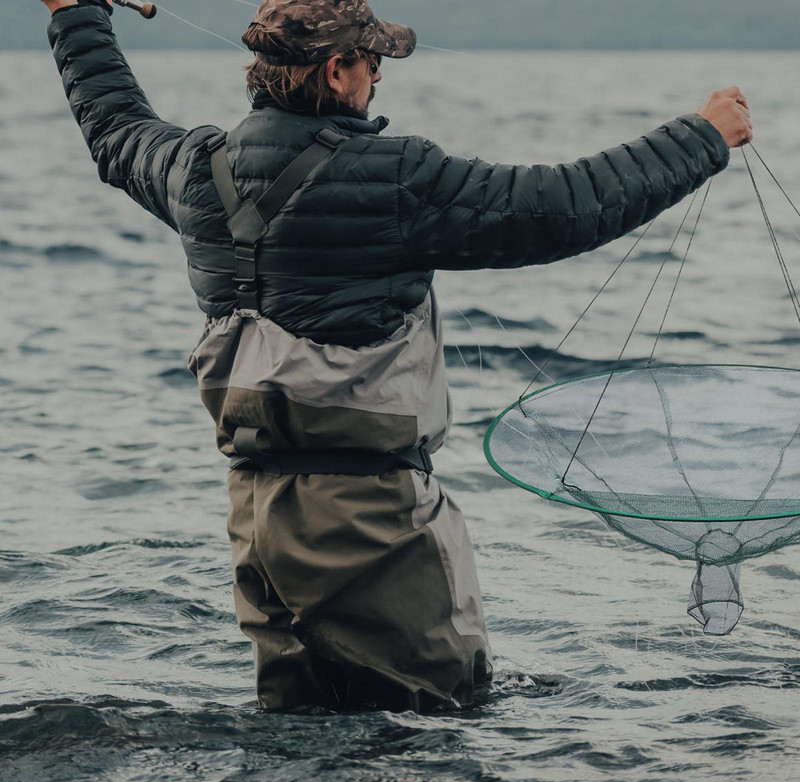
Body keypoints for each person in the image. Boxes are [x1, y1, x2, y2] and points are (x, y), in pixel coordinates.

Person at [41, 0, 752, 712]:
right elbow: (560, 207)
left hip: (256, 518)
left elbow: (114, 127)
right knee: (436, 720)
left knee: (300, 733)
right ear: (336, 70)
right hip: (371, 522)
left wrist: (74, 13)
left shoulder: (196, 169)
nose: (378, 77)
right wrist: (700, 138)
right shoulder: (396, 177)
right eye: (372, 61)